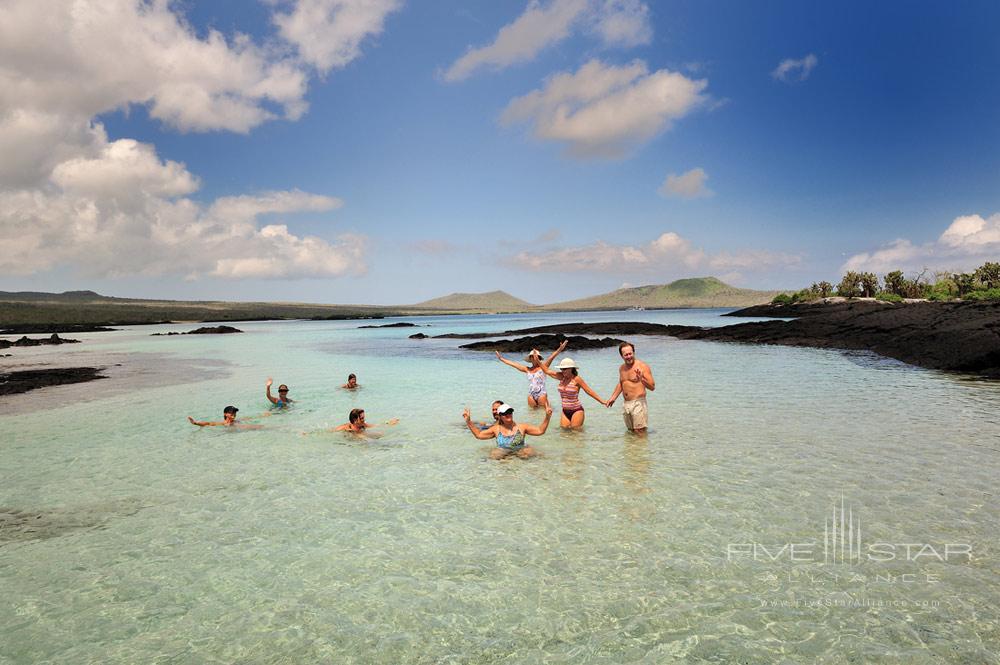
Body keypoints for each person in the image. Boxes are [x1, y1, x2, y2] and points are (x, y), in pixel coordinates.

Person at [495, 339, 567, 408]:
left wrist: (560, 349)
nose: (534, 358)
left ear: (539, 358)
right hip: (531, 395)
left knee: (544, 412)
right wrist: (501, 359)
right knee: (532, 414)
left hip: (541, 394)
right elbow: (514, 364)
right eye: (532, 356)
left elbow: (552, 357)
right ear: (530, 358)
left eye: (536, 356)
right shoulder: (527, 369)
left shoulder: (544, 367)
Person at [463, 402, 551, 459]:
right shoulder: (496, 429)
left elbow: (540, 431)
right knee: (494, 455)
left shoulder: (521, 427)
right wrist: (468, 421)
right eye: (505, 413)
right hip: (503, 450)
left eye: (510, 412)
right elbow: (479, 435)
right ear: (500, 416)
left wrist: (547, 416)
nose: (508, 414)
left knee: (528, 453)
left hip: (520, 449)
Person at [541, 357, 608, 429]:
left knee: (575, 434)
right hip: (565, 411)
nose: (562, 371)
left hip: (576, 410)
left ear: (571, 368)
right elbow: (546, 371)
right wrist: (538, 361)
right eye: (561, 369)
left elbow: (589, 391)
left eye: (564, 369)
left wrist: (602, 401)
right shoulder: (561, 376)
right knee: (564, 432)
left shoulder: (577, 379)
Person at [606, 341, 655, 435]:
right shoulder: (622, 368)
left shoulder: (642, 366)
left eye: (630, 353)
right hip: (626, 404)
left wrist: (642, 379)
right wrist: (613, 398)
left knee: (640, 432)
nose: (629, 356)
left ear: (634, 352)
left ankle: (643, 449)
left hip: (638, 403)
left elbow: (652, 387)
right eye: (626, 355)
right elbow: (622, 383)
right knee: (631, 432)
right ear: (622, 356)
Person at [188, 405, 262, 429]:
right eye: (231, 412)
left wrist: (265, 415)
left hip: (240, 429)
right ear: (225, 414)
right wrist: (195, 423)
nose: (234, 414)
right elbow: (208, 423)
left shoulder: (238, 420)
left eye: (235, 412)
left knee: (258, 426)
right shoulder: (223, 424)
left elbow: (251, 417)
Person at [334, 408, 399, 434]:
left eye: (363, 418)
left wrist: (388, 423)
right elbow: (332, 431)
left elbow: (375, 425)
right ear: (355, 420)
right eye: (362, 418)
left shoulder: (362, 425)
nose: (364, 420)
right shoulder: (347, 428)